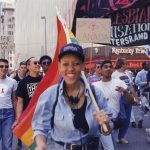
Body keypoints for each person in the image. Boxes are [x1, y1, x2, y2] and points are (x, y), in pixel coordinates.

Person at [32, 43, 112, 150]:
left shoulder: (96, 94)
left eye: (76, 64)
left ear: (83, 66)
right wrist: (41, 143)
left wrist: (106, 124)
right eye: (65, 64)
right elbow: (40, 128)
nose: (70, 68)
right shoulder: (50, 95)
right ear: (59, 66)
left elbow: (109, 127)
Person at [93, 60, 134, 149]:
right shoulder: (94, 86)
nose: (108, 68)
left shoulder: (119, 83)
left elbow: (131, 101)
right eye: (105, 67)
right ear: (100, 70)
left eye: (110, 67)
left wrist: (125, 91)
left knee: (109, 146)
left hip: (112, 121)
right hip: (98, 122)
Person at [112, 57, 139, 144]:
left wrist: (136, 98)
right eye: (126, 63)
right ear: (122, 64)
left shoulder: (127, 73)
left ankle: (121, 138)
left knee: (127, 120)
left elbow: (130, 86)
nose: (127, 65)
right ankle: (112, 133)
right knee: (122, 118)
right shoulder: (114, 75)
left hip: (128, 98)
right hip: (120, 98)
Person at [12, 57, 42, 130]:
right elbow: (19, 102)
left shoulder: (44, 80)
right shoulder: (23, 83)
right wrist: (18, 119)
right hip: (29, 118)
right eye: (35, 63)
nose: (37, 64)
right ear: (28, 66)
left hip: (43, 116)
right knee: (30, 140)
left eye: (38, 63)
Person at [0, 58, 17, 150]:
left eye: (6, 66)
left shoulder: (12, 82)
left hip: (8, 115)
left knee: (7, 145)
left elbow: (14, 100)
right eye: (1, 66)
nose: (4, 68)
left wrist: (17, 117)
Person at [11, 61, 27, 150]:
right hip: (16, 104)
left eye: (25, 68)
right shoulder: (14, 79)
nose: (23, 69)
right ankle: (19, 142)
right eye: (22, 67)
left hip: (26, 105)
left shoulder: (28, 79)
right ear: (19, 68)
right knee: (18, 123)